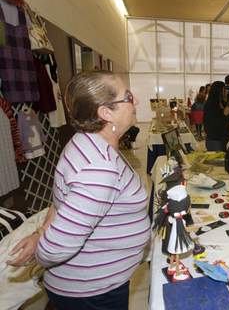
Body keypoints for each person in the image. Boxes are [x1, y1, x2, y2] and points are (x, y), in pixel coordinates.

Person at [8, 71, 151, 309]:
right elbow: (56, 247)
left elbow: (59, 202)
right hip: (91, 291)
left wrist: (40, 232)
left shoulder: (86, 142)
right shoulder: (99, 168)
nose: (135, 101)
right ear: (106, 112)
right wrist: (42, 254)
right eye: (127, 96)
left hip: (93, 284)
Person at [203, 81, 229, 151]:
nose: (226, 92)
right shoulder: (210, 105)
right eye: (224, 89)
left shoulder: (223, 103)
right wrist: (224, 115)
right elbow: (212, 124)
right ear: (219, 91)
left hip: (223, 139)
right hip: (214, 139)